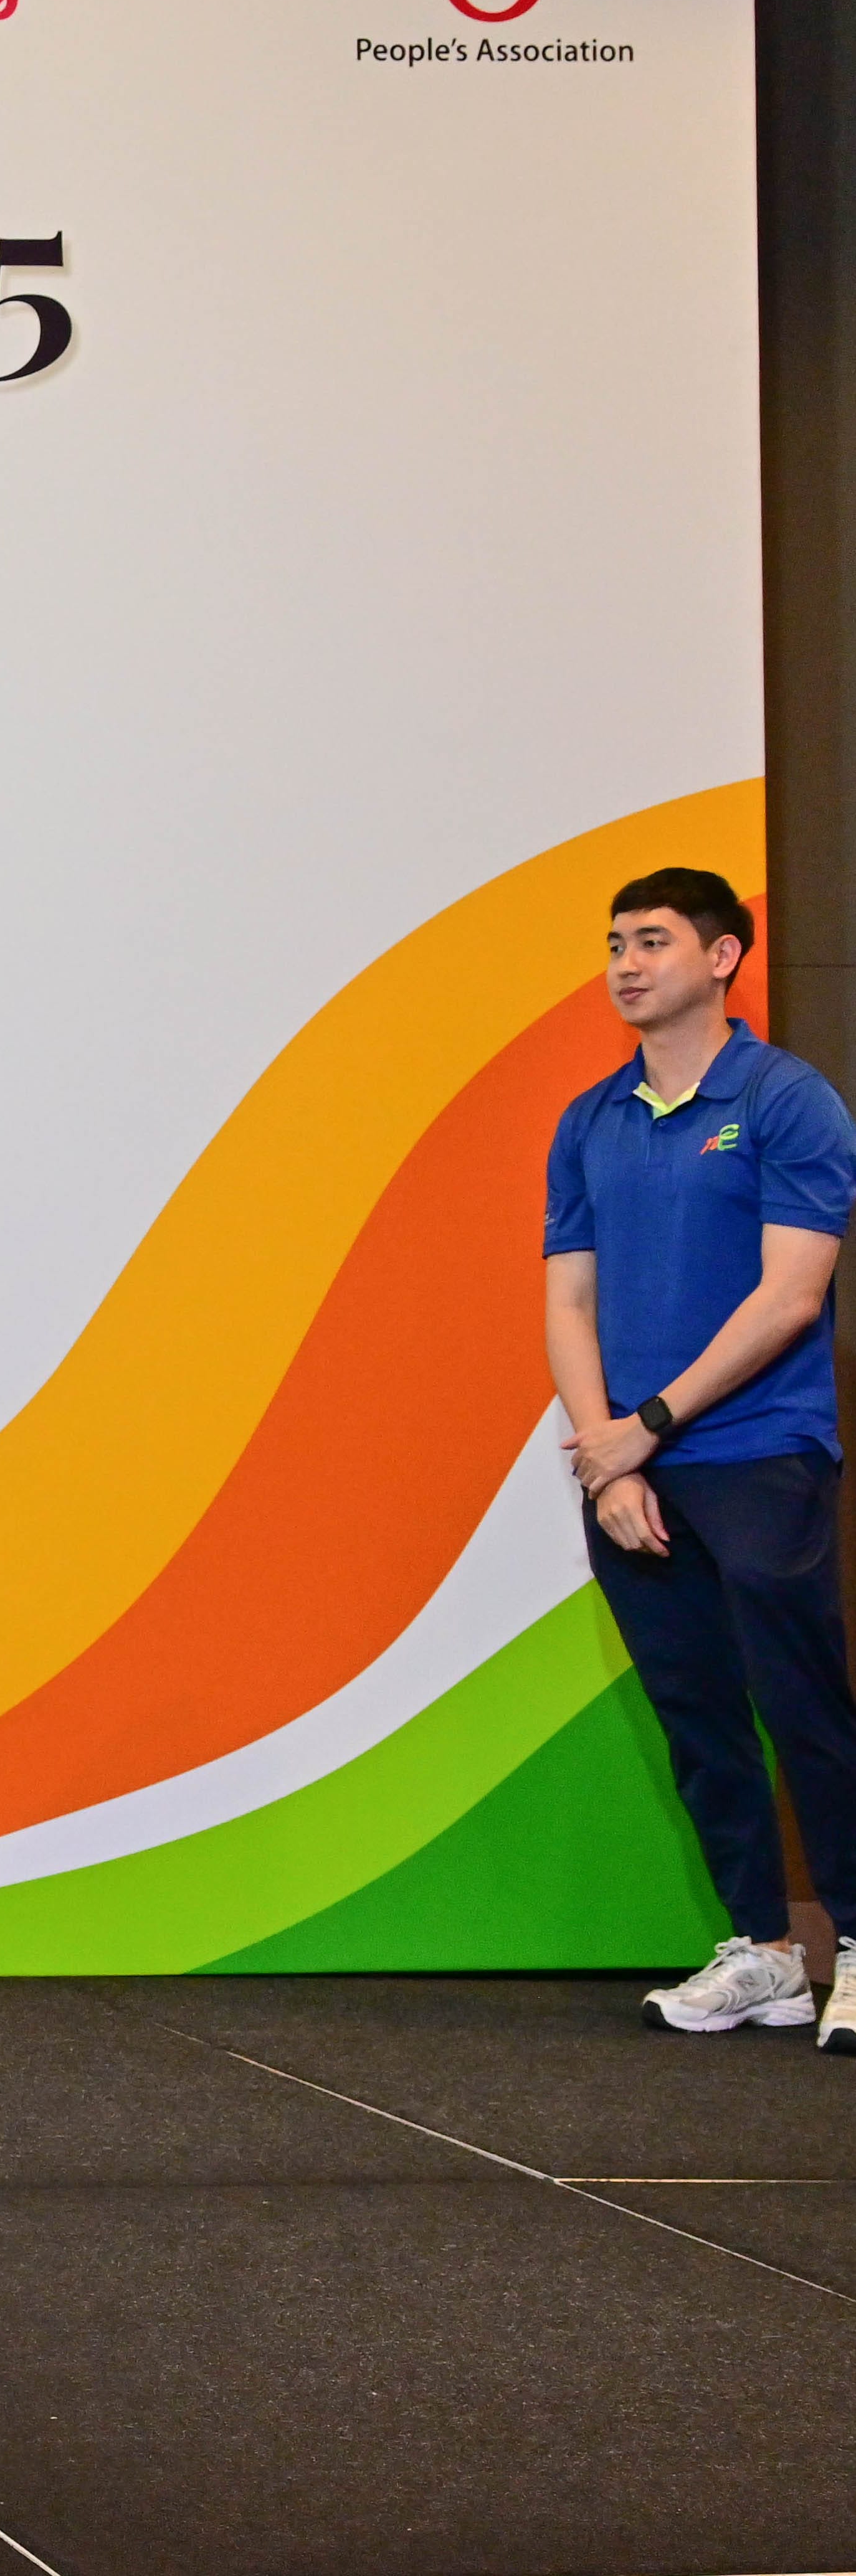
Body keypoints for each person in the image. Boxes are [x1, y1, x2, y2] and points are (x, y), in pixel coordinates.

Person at [541, 866, 856, 2042]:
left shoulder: (786, 1100)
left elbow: (791, 1297)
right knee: (698, 1710)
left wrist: (653, 1423)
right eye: (616, 941)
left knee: (804, 1704)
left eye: (655, 940)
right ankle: (763, 1950)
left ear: (724, 958)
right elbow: (569, 1304)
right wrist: (613, 1463)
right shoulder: (590, 1119)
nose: (627, 961)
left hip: (761, 1452)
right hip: (633, 1471)